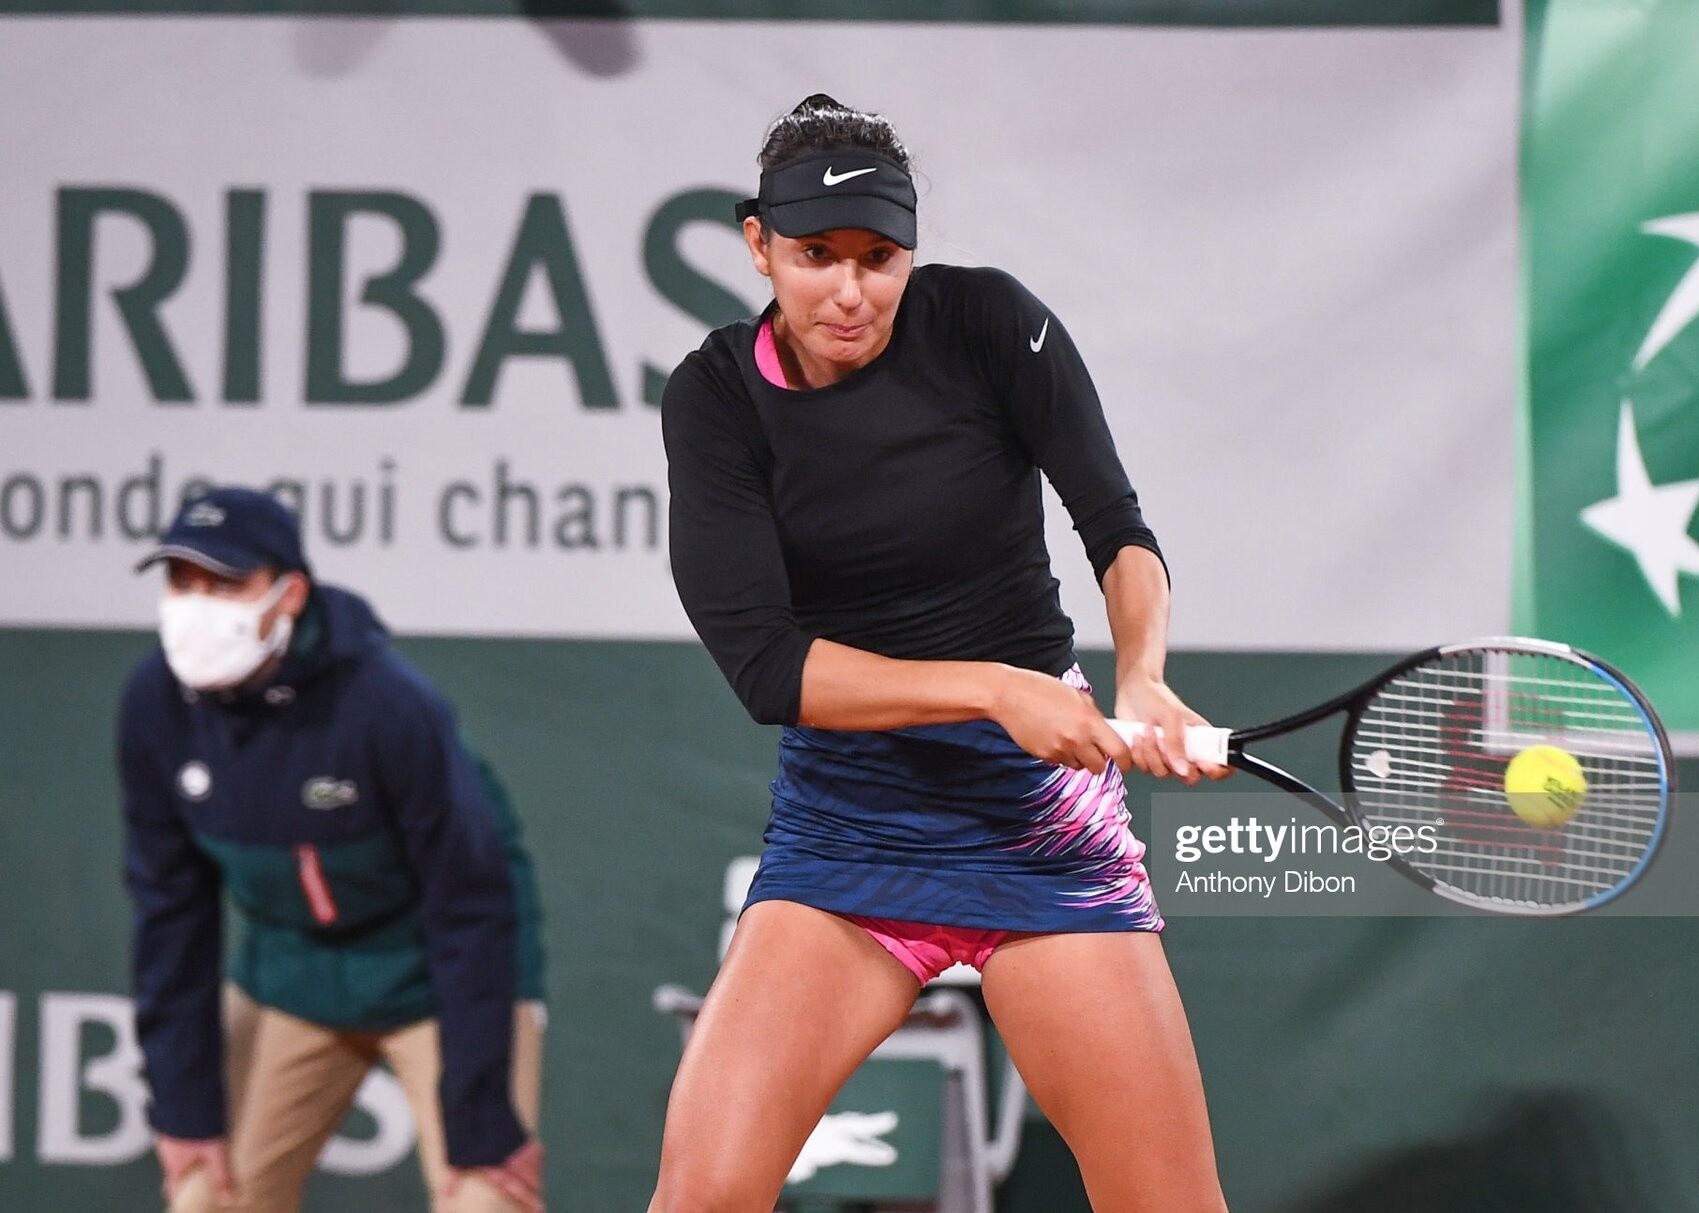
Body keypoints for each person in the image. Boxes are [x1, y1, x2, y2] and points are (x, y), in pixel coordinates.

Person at [655, 95, 1232, 1211]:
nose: (850, 290)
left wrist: (1142, 674)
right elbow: (768, 668)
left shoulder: (988, 322)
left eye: (879, 258)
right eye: (817, 256)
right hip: (849, 828)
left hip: (1039, 827)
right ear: (759, 245)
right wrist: (996, 690)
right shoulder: (716, 397)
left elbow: (1116, 526)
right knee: (703, 1195)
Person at [117, 486, 548, 1213]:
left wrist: (481, 1121)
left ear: (289, 594)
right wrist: (184, 1110)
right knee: (203, 1197)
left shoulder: (389, 705)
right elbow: (170, 914)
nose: (197, 606)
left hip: (437, 976)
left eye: (225, 583)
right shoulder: (154, 705)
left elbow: (470, 905)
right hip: (290, 974)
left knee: (487, 1196)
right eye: (181, 582)